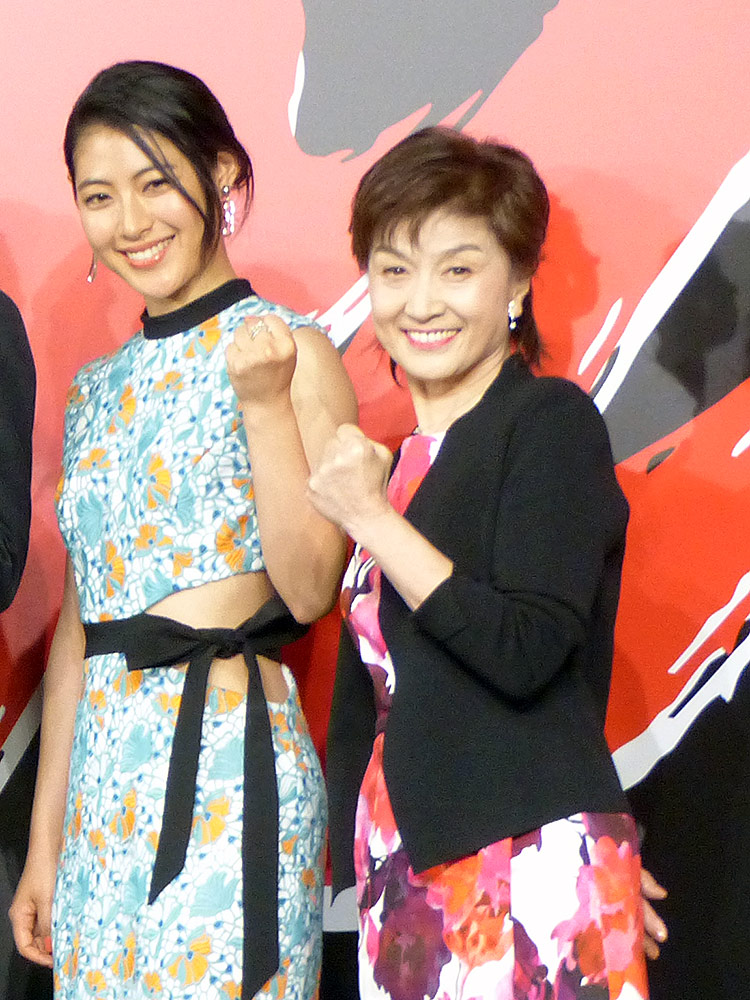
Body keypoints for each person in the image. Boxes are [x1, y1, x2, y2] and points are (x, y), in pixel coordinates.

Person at [9, 60, 356, 1000]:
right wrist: (44, 847)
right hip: (100, 798)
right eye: (99, 196)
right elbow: (81, 633)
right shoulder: (95, 391)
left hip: (227, 772)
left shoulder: (294, 349)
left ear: (224, 176)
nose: (130, 221)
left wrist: (264, 404)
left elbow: (310, 588)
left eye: (156, 182)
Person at [310, 127, 651, 999]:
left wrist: (370, 520)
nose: (421, 301)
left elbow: (527, 646)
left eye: (457, 269)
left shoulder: (548, 424)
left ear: (519, 283)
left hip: (515, 869)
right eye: (394, 270)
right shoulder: (400, 465)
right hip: (405, 874)